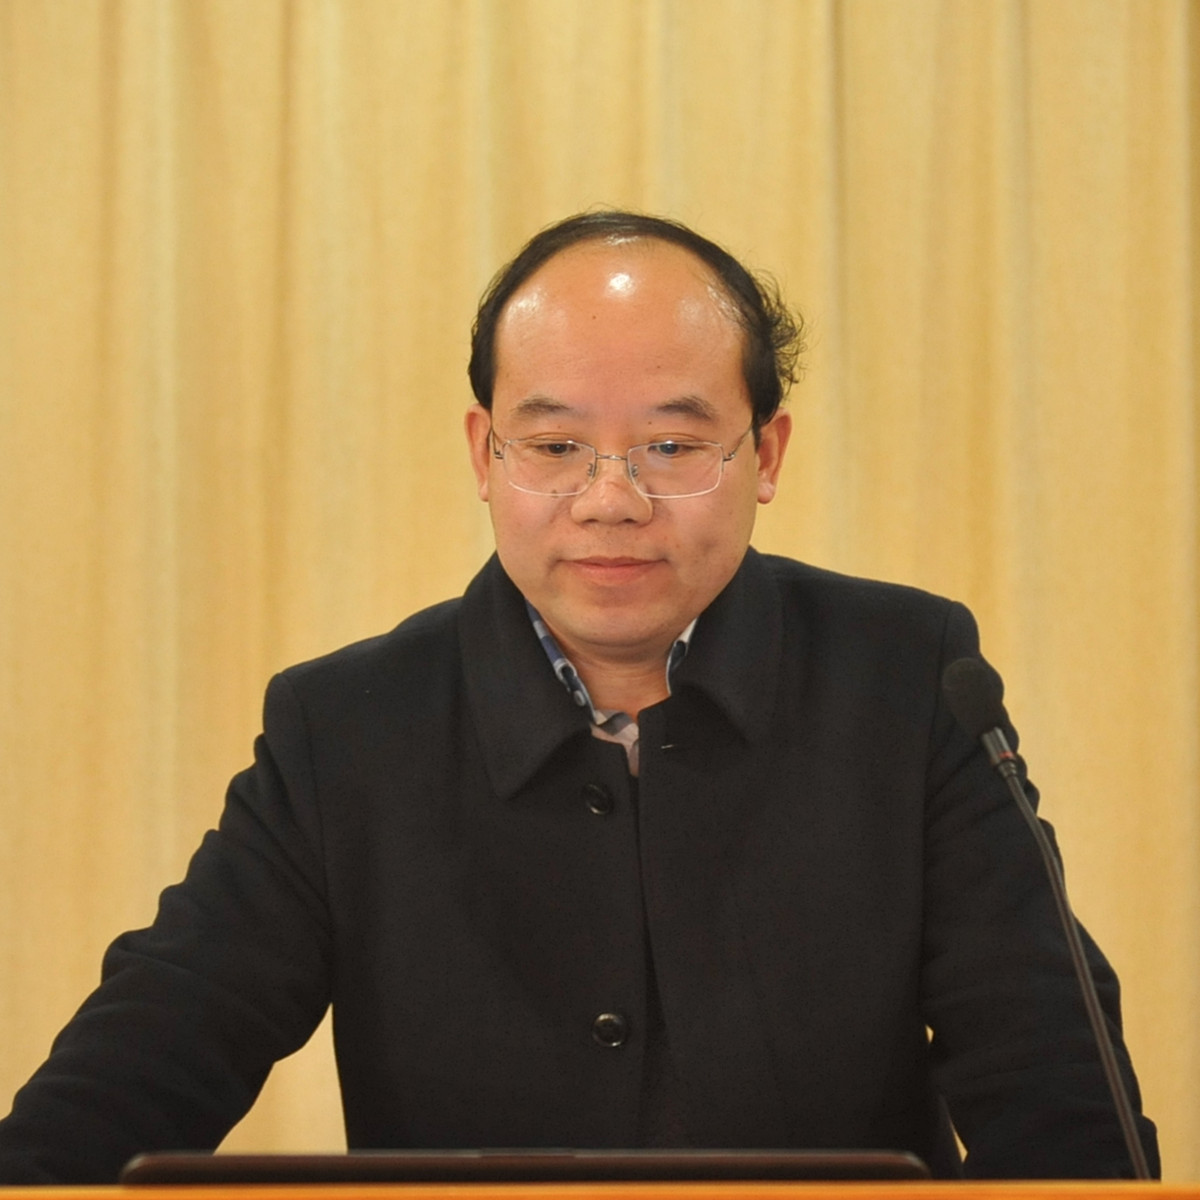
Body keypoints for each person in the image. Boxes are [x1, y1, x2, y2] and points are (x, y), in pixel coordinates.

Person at [0, 211, 1158, 1182]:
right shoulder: (348, 731)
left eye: (671, 446)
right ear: (484, 454)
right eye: (554, 447)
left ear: (765, 455)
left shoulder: (906, 678)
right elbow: (153, 1054)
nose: (611, 500)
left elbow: (1049, 1076)